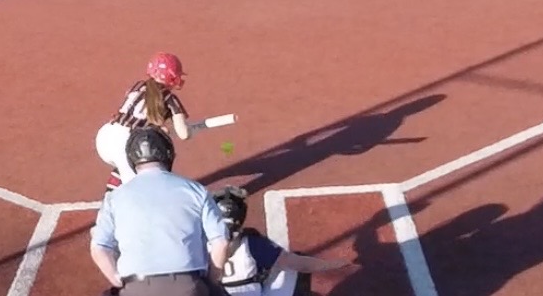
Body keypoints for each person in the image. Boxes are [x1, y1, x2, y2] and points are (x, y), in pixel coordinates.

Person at [90, 127, 232, 296]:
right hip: (188, 287)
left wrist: (117, 280)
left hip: (136, 288)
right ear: (168, 154)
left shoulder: (114, 197)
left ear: (131, 158)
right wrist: (210, 281)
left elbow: (99, 247)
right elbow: (221, 242)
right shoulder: (196, 190)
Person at [213, 187, 354, 296]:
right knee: (288, 265)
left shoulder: (198, 242)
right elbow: (301, 265)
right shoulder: (252, 243)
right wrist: (330, 265)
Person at [95, 52, 194, 192]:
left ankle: (112, 191)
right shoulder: (170, 99)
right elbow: (184, 134)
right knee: (140, 184)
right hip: (125, 143)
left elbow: (141, 115)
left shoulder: (138, 85)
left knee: (131, 162)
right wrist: (186, 129)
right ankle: (113, 206)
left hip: (105, 136)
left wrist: (158, 130)